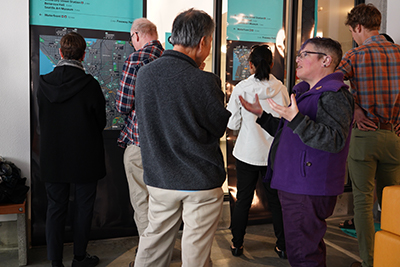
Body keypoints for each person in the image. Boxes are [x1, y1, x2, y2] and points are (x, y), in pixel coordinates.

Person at [240, 37, 354, 267]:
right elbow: (290, 133)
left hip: (307, 186)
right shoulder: (306, 93)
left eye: (305, 54)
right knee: (303, 249)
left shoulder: (333, 94)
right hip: (296, 183)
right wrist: (262, 115)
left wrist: (296, 118)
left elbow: (335, 139)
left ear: (326, 60)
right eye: (299, 54)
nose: (298, 59)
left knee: (303, 255)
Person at [133, 8, 231, 267]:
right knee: (195, 254)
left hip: (160, 177)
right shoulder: (205, 80)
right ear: (203, 42)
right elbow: (218, 126)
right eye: (210, 42)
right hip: (200, 181)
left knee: (153, 244)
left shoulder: (145, 74)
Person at [337, 4, 400, 267]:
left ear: (358, 27)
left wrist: (355, 110)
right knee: (394, 199)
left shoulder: (354, 55)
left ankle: (369, 261)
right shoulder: (399, 53)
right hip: (394, 137)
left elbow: (332, 87)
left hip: (364, 137)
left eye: (353, 31)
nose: (354, 36)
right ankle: (393, 257)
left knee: (363, 203)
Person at [37, 32, 106, 267]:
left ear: (60, 53)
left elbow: (43, 119)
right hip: (85, 157)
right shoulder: (91, 86)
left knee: (55, 208)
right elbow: (101, 122)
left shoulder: (43, 83)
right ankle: (79, 257)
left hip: (52, 157)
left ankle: (55, 262)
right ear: (84, 55)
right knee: (84, 208)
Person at [226, 44, 289, 258]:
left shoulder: (241, 88)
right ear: (271, 64)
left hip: (247, 153)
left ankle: (237, 244)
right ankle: (282, 246)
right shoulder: (281, 88)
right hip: (273, 155)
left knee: (243, 200)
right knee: (276, 201)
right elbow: (287, 122)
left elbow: (232, 124)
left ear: (251, 65)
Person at [115, 18, 164, 238]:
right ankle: (162, 248)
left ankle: (149, 256)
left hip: (139, 143)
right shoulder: (169, 59)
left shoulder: (136, 59)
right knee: (162, 204)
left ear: (136, 35)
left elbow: (123, 105)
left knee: (141, 201)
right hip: (165, 145)